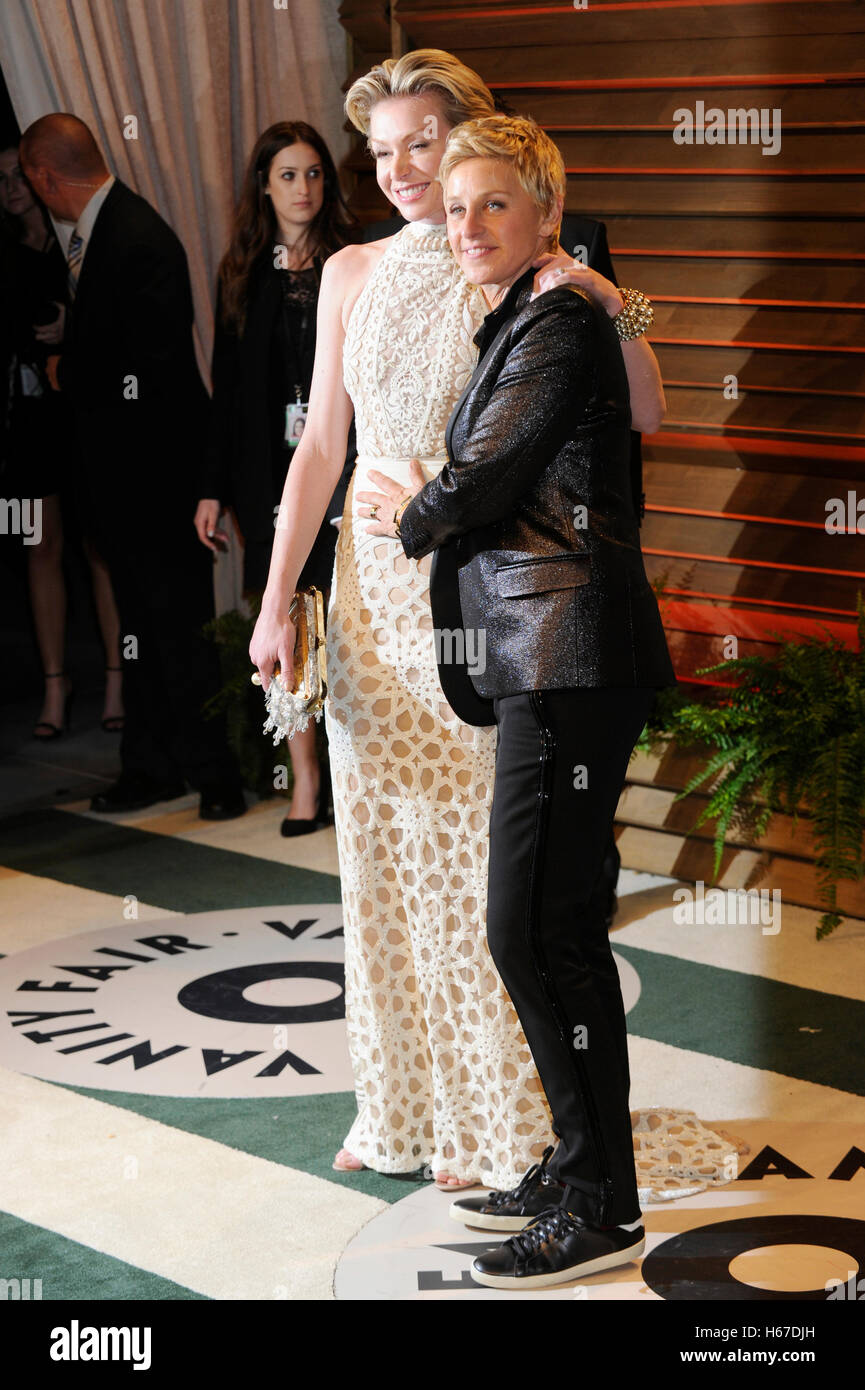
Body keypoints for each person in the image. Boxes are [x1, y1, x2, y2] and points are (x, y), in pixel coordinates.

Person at [249, 49, 666, 1190]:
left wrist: (599, 291)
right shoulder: (344, 270)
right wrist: (280, 597)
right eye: (379, 152)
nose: (399, 172)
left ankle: (502, 1113)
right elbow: (320, 449)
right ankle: (404, 1105)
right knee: (384, 854)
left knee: (492, 867)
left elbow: (642, 406)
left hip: (485, 587)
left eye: (421, 142)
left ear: (474, 135)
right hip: (372, 600)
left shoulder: (524, 254)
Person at [359, 114, 678, 1289]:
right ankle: (580, 1162)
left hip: (569, 653)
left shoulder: (556, 319)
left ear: (546, 212)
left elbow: (483, 477)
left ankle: (600, 1203)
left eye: (493, 203)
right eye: (455, 208)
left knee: (535, 930)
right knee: (553, 927)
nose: (468, 224)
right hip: (549, 653)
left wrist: (408, 506)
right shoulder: (529, 317)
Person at [19, 113, 245, 820]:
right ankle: (154, 765)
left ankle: (218, 779)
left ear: (45, 178)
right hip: (128, 481)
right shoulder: (108, 230)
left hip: (158, 479)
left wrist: (65, 367)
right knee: (143, 630)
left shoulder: (137, 236)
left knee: (176, 628)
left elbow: (149, 366)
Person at [195, 122, 359, 833]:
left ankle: (360, 774)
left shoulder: (356, 260)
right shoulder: (243, 271)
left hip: (350, 468)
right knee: (285, 615)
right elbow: (224, 392)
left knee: (350, 617)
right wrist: (212, 486)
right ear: (264, 185)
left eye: (314, 173)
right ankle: (305, 782)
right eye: (288, 175)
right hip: (268, 478)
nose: (303, 188)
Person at [0, 140, 125, 739]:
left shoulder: (76, 241)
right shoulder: (7, 253)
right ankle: (55, 684)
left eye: (19, 175)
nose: (12, 188)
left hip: (80, 410)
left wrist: (71, 327)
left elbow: (110, 320)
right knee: (37, 543)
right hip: (26, 418)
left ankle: (117, 677)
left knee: (100, 544)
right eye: (1, 180)